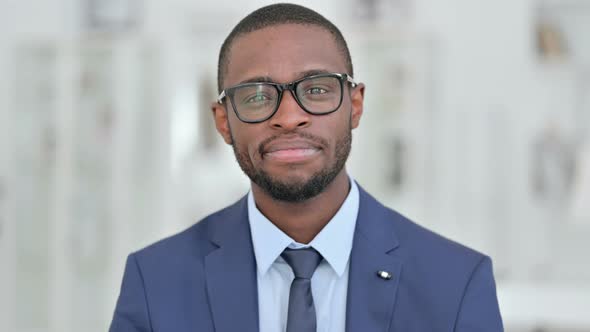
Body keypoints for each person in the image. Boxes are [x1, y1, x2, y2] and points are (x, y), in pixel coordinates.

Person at [109, 3, 504, 331]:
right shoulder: (155, 281)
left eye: (315, 89)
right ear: (223, 121)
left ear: (356, 105)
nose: (289, 116)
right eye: (257, 96)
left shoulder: (455, 284)